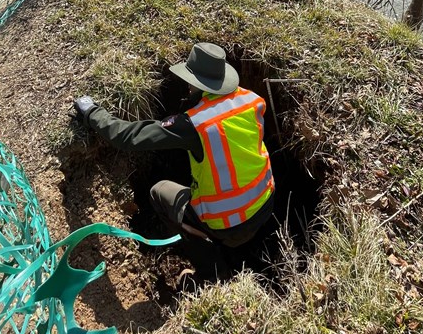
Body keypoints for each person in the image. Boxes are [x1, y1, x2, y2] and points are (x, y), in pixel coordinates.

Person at [72, 43, 275, 259]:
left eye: (190, 82)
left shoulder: (195, 124)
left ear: (197, 83)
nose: (188, 87)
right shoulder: (250, 100)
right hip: (265, 205)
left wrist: (91, 112)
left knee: (159, 191)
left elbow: (128, 137)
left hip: (226, 226)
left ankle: (203, 255)